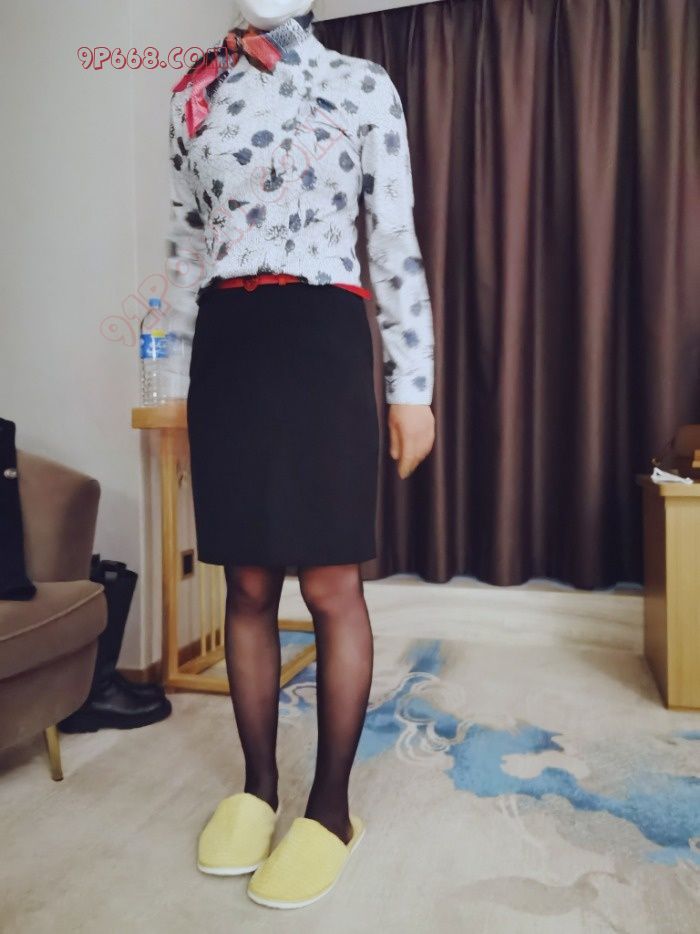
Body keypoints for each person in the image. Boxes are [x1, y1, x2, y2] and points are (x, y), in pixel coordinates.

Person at [167, 0, 435, 908]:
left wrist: (412, 386)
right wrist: (172, 375)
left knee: (328, 584)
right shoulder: (195, 95)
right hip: (228, 341)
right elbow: (185, 243)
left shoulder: (361, 84)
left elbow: (393, 240)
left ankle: (330, 810)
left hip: (322, 334)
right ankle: (256, 787)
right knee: (246, 582)